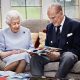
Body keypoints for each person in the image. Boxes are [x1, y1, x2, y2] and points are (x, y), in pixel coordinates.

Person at [30, 3, 80, 79]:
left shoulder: (76, 25)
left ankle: (58, 78)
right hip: (51, 55)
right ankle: (38, 78)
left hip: (67, 56)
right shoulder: (49, 27)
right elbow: (47, 46)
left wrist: (59, 54)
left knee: (68, 56)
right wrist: (41, 51)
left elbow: (77, 49)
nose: (51, 21)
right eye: (49, 18)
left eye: (53, 18)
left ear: (61, 13)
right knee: (35, 57)